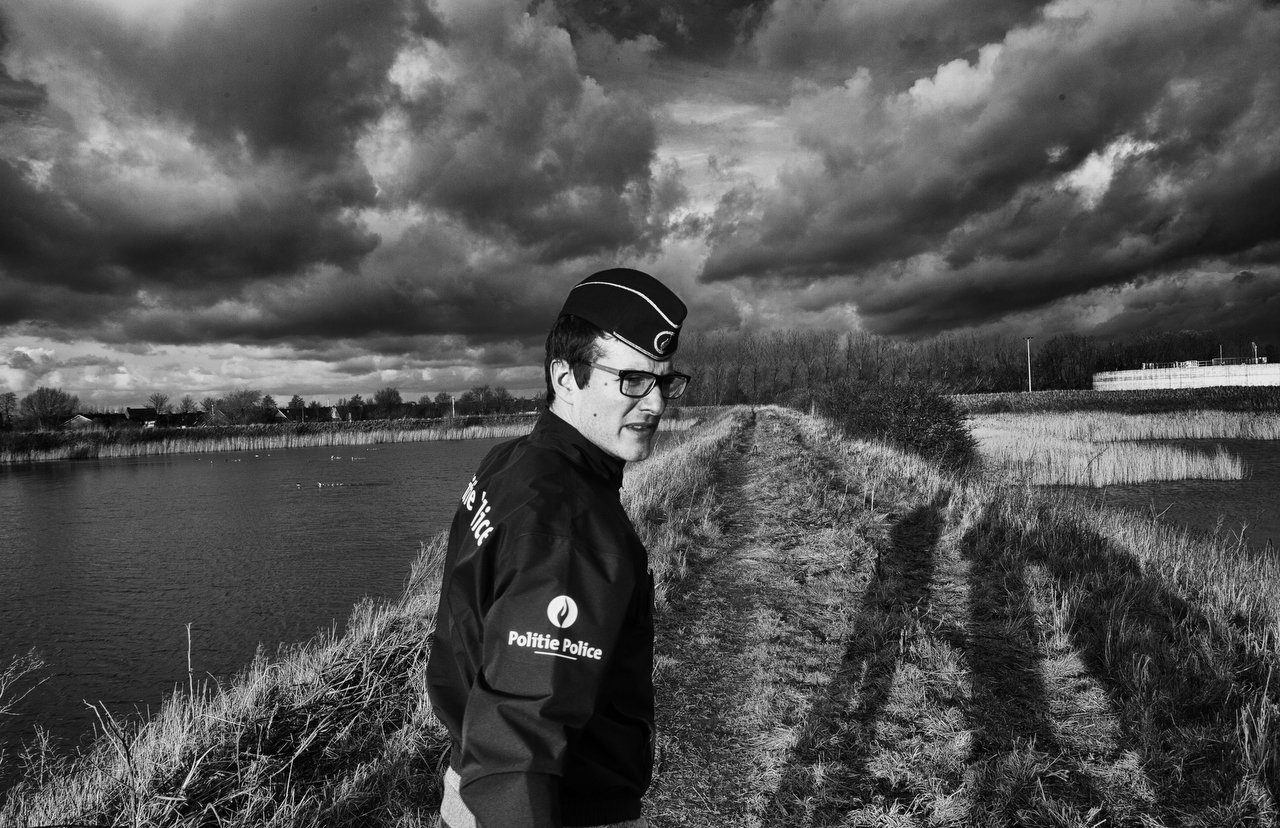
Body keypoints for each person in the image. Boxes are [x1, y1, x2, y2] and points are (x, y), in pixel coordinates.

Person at [426, 268, 691, 828]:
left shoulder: (510, 463)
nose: (656, 404)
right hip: (550, 807)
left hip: (468, 780)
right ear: (565, 377)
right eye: (633, 381)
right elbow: (520, 733)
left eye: (665, 382)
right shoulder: (570, 524)